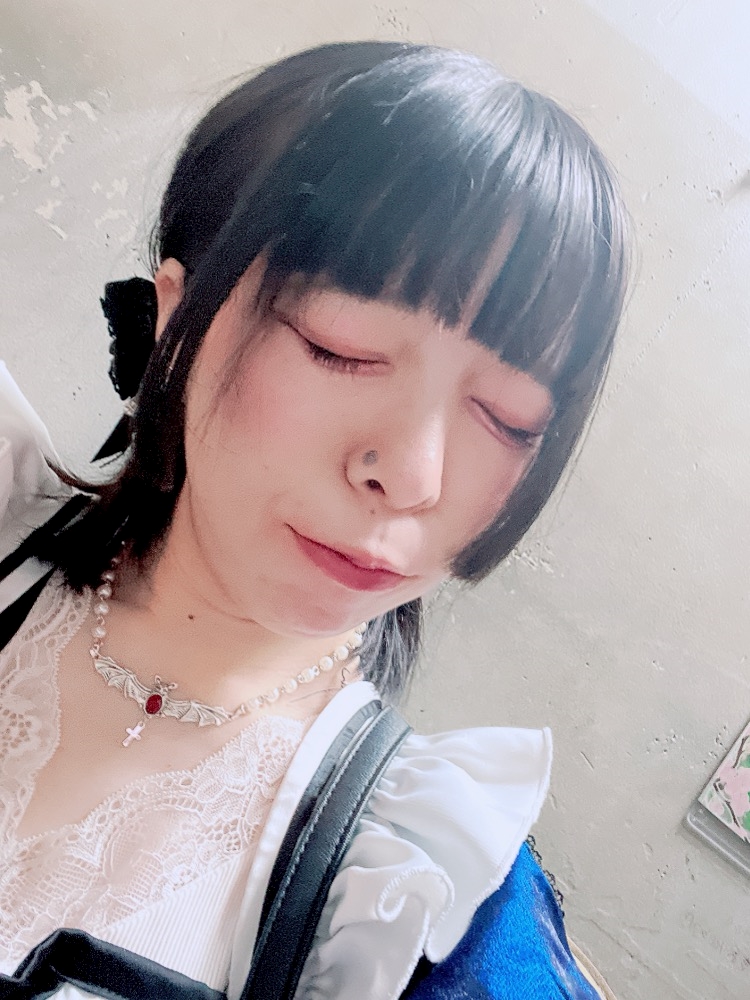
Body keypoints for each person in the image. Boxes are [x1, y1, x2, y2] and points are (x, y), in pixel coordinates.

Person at [0, 40, 628, 999]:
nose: (412, 476)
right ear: (176, 316)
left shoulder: (423, 914)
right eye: (343, 347)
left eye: (508, 418)